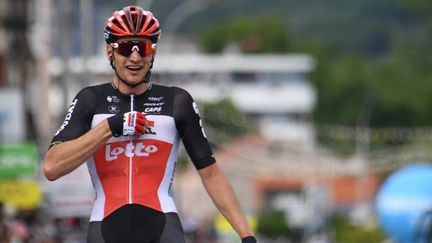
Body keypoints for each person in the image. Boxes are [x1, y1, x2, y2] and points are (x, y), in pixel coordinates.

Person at [43, 5, 257, 243]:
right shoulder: (91, 100)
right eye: (125, 48)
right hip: (106, 226)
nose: (135, 57)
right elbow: (52, 167)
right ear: (109, 52)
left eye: (143, 48)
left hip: (163, 227)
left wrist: (246, 235)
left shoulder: (177, 101)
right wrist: (108, 128)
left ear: (153, 53)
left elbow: (211, 174)